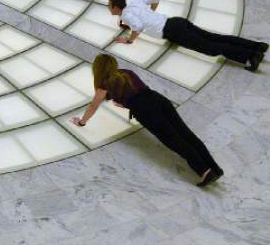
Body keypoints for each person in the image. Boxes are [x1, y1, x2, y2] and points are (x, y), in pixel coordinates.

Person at [71, 54, 223, 186]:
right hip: (158, 99)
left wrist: (82, 121)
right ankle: (215, 168)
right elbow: (137, 93)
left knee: (175, 141)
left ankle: (204, 171)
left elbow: (93, 106)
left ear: (97, 70)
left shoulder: (104, 85)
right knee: (186, 134)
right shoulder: (127, 72)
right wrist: (126, 102)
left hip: (145, 111)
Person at [108, 0, 268, 71]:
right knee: (213, 37)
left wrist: (129, 40)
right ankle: (257, 46)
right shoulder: (135, 3)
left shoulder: (126, 15)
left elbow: (137, 26)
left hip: (172, 32)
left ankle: (250, 57)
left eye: (109, 5)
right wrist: (152, 14)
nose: (108, 7)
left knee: (211, 48)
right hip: (175, 21)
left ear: (116, 7)